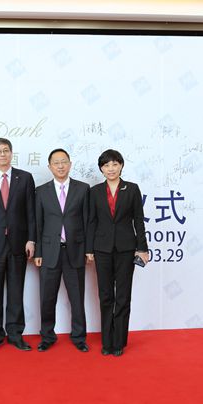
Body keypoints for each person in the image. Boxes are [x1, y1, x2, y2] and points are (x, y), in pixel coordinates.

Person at [0, 138, 36, 352]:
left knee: (16, 291)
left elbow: (31, 211)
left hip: (19, 243)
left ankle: (15, 333)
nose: (2, 154)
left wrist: (31, 239)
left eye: (6, 150)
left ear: (11, 153)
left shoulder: (25, 178)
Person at [89, 149, 149, 357]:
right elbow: (91, 222)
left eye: (115, 164)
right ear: (101, 169)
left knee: (123, 296)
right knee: (105, 296)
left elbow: (139, 221)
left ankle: (119, 341)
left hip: (125, 248)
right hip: (102, 249)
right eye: (106, 165)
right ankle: (107, 341)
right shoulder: (95, 191)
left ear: (121, 165)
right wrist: (89, 249)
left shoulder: (131, 189)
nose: (111, 169)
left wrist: (142, 248)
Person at [34, 148, 93, 353]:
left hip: (75, 251)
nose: (60, 166)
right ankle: (47, 336)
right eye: (56, 163)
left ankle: (79, 337)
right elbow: (38, 224)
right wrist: (38, 252)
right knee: (46, 297)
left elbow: (88, 221)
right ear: (49, 166)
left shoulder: (83, 189)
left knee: (77, 297)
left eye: (64, 162)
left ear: (70, 164)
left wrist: (88, 249)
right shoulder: (41, 191)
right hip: (49, 252)